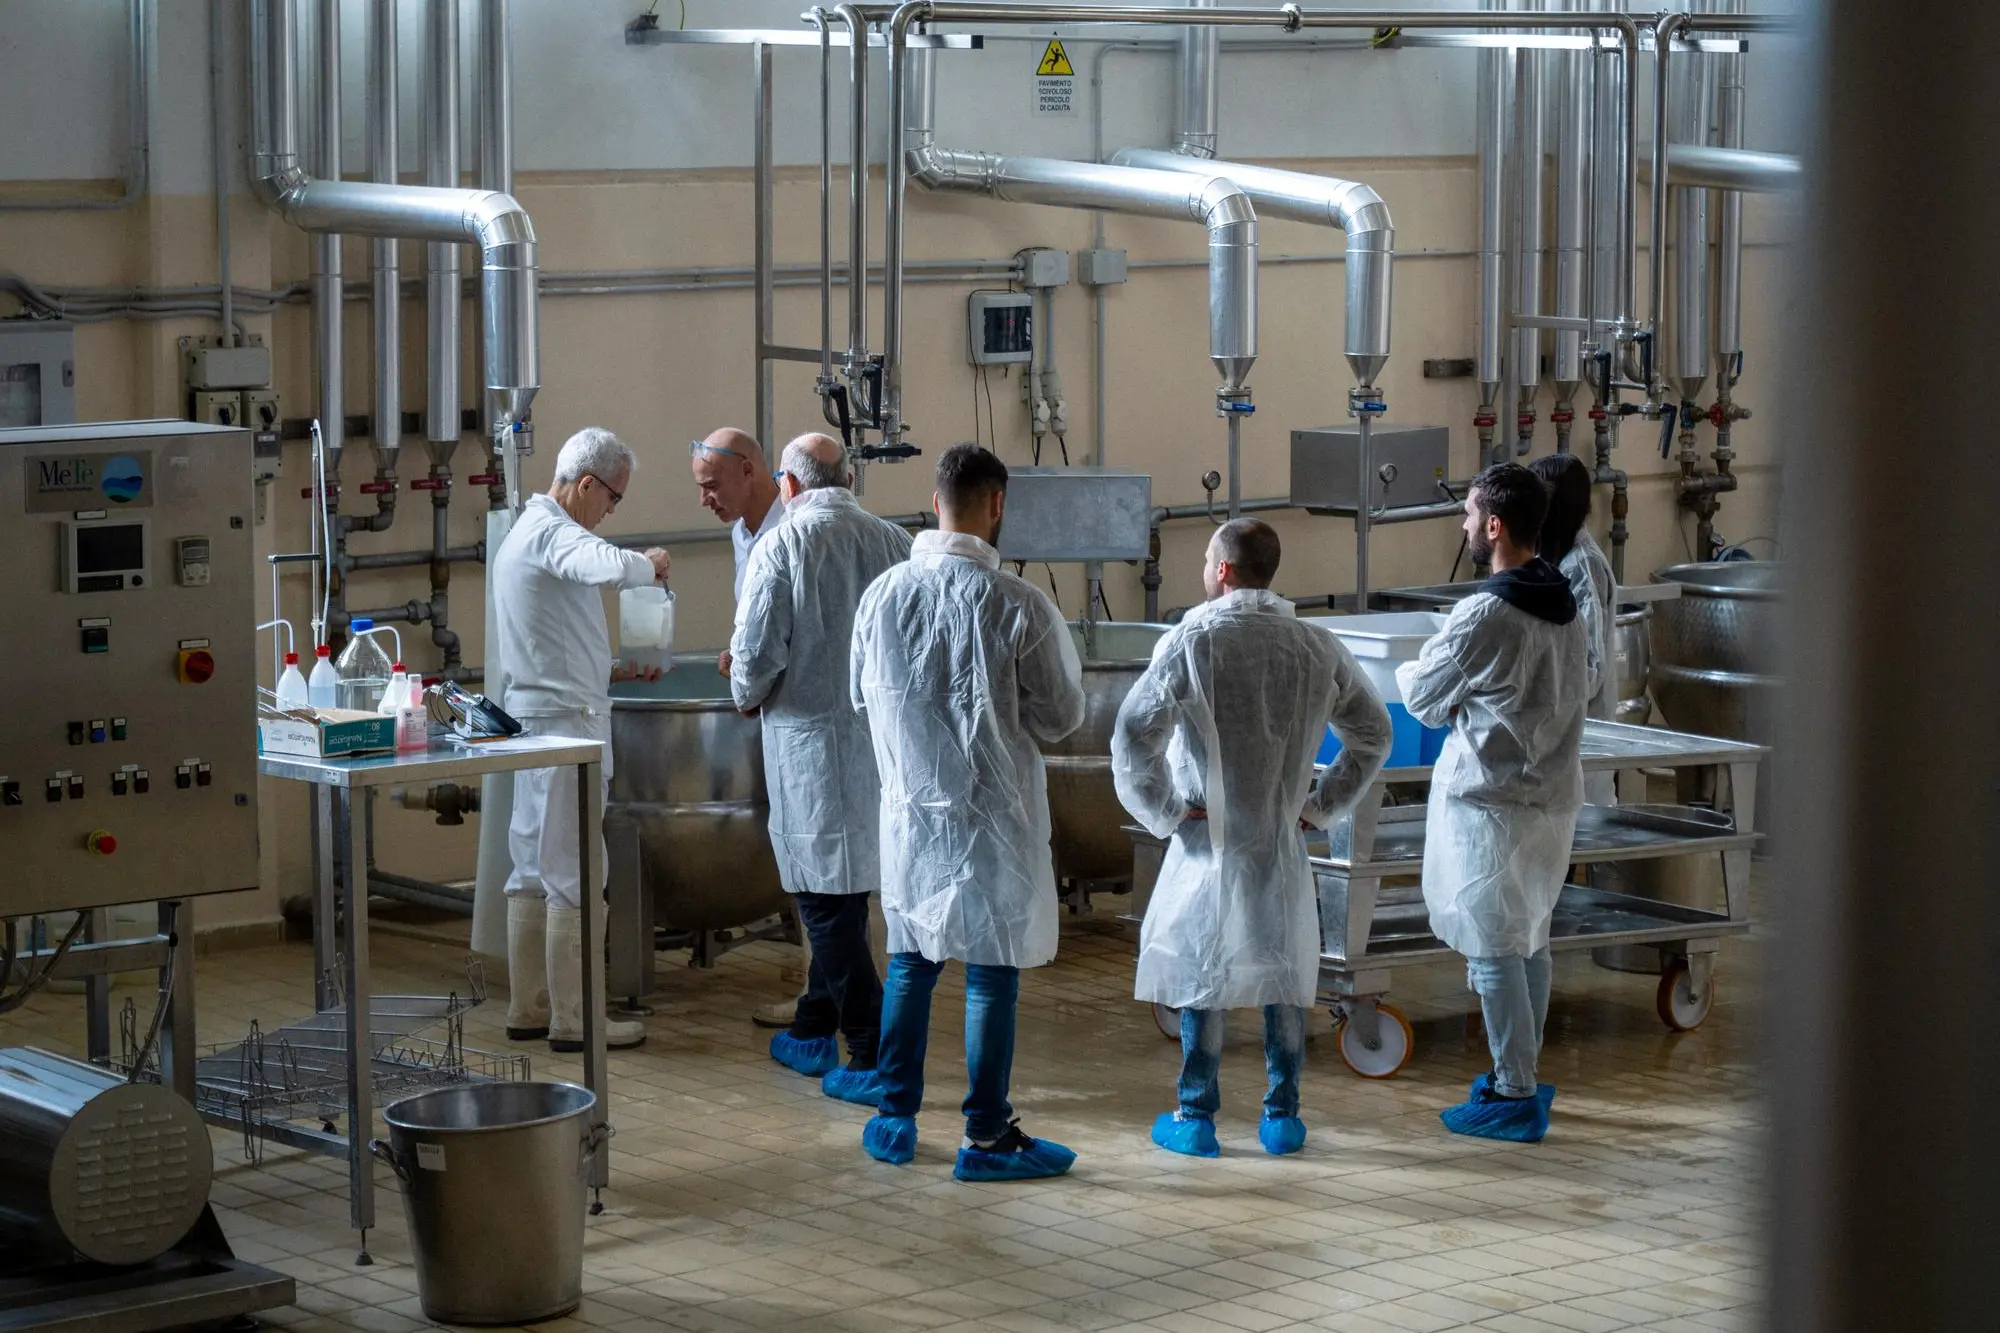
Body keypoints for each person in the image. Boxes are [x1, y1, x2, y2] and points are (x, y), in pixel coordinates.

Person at [1113, 519, 1393, 1159]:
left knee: (1203, 970)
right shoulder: (1317, 648)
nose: (1204, 573)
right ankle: (1283, 1116)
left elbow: (1134, 736)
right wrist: (1318, 808)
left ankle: (1195, 1115)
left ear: (1226, 572)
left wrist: (1166, 807)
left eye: (1208, 562)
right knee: (1283, 971)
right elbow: (1373, 734)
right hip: (1279, 840)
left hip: (1206, 841)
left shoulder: (1189, 642)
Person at [850, 444, 1086, 1182]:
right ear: (999, 503)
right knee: (990, 972)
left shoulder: (882, 596)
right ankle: (985, 1135)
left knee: (911, 961)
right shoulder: (1020, 605)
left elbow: (863, 699)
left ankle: (894, 1115)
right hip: (995, 819)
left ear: (933, 498)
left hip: (914, 815)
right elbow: (1060, 715)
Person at [1395, 462, 1588, 1143]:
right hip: (1550, 799)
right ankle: (1522, 1074)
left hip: (1491, 806)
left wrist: (1410, 670)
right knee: (1529, 936)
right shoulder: (1563, 599)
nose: (1466, 526)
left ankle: (1513, 1088)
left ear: (1496, 525)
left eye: (1470, 516)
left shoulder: (1488, 611)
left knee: (1494, 947)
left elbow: (1422, 696)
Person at [730, 434, 912, 1104]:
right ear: (851, 477)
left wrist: (745, 694)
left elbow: (754, 653)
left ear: (787, 484)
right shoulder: (893, 540)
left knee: (823, 904)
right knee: (852, 892)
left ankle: (868, 1049)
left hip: (809, 744)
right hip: (883, 744)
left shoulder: (783, 544)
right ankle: (812, 1027)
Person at [492, 427, 672, 1053]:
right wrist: (648, 565)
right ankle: (576, 1020)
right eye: (613, 499)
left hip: (537, 719)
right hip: (567, 728)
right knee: (573, 872)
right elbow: (604, 564)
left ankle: (529, 1007)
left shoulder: (525, 536)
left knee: (532, 870)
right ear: (587, 484)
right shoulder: (555, 533)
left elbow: (553, 642)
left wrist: (612, 668)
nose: (611, 512)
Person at [690, 426, 796, 1027]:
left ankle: (836, 997)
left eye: (712, 486)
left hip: (812, 717)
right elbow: (755, 618)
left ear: (750, 471)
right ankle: (827, 992)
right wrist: (740, 652)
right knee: (803, 863)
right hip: (773, 712)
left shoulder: (795, 529)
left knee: (832, 869)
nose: (706, 499)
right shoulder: (743, 534)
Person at [1529, 452, 1617, 806]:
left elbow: (1590, 668)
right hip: (1557, 730)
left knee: (1581, 830)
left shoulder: (1582, 565)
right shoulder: (1556, 558)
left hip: (1582, 730)